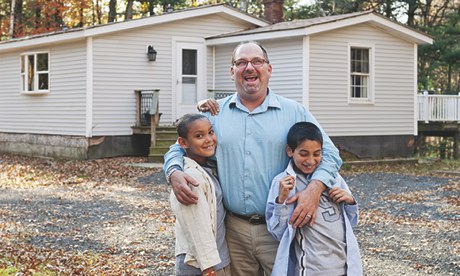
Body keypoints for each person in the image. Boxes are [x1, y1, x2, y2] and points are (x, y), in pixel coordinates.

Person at [164, 41, 342, 275]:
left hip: (280, 228)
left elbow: (330, 153)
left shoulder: (295, 112)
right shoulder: (214, 114)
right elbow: (179, 146)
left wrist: (314, 190)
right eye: (241, 63)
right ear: (232, 72)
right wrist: (174, 172)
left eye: (257, 61)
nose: (249, 67)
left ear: (269, 69)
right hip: (233, 231)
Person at [266, 122, 362, 275]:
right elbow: (278, 232)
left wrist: (350, 201)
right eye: (303, 154)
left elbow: (351, 223)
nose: (310, 161)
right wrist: (281, 200)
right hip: (311, 270)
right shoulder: (283, 183)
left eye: (317, 154)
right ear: (290, 151)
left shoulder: (334, 179)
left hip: (345, 268)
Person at [169, 113, 231, 276]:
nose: (209, 139)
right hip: (200, 266)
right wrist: (208, 269)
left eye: (210, 132)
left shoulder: (207, 167)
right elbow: (197, 228)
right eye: (199, 136)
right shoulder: (191, 178)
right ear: (183, 143)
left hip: (217, 260)